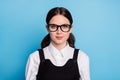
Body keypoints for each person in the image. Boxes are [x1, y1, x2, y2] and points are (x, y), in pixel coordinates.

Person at [25, 7, 90, 80]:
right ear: (47, 28)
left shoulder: (82, 57)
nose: (59, 32)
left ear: (71, 28)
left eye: (64, 26)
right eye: (53, 26)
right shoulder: (35, 57)